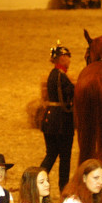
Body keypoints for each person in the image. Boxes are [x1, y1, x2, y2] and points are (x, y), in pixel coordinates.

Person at [41, 42, 75, 192]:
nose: (69, 60)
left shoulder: (53, 75)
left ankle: (35, 181)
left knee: (51, 154)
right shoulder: (61, 76)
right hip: (62, 122)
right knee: (65, 158)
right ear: (60, 59)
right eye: (66, 57)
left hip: (50, 120)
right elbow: (71, 93)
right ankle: (64, 188)